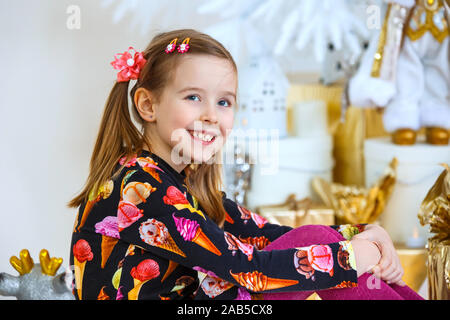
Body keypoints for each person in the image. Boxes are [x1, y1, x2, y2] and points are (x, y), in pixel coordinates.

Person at [68, 29, 421, 300]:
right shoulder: (139, 187)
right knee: (318, 248)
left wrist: (363, 235)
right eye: (193, 97)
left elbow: (271, 236)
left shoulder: (178, 183)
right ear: (148, 105)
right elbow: (249, 269)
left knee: (317, 241)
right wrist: (352, 256)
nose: (210, 115)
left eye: (224, 102)